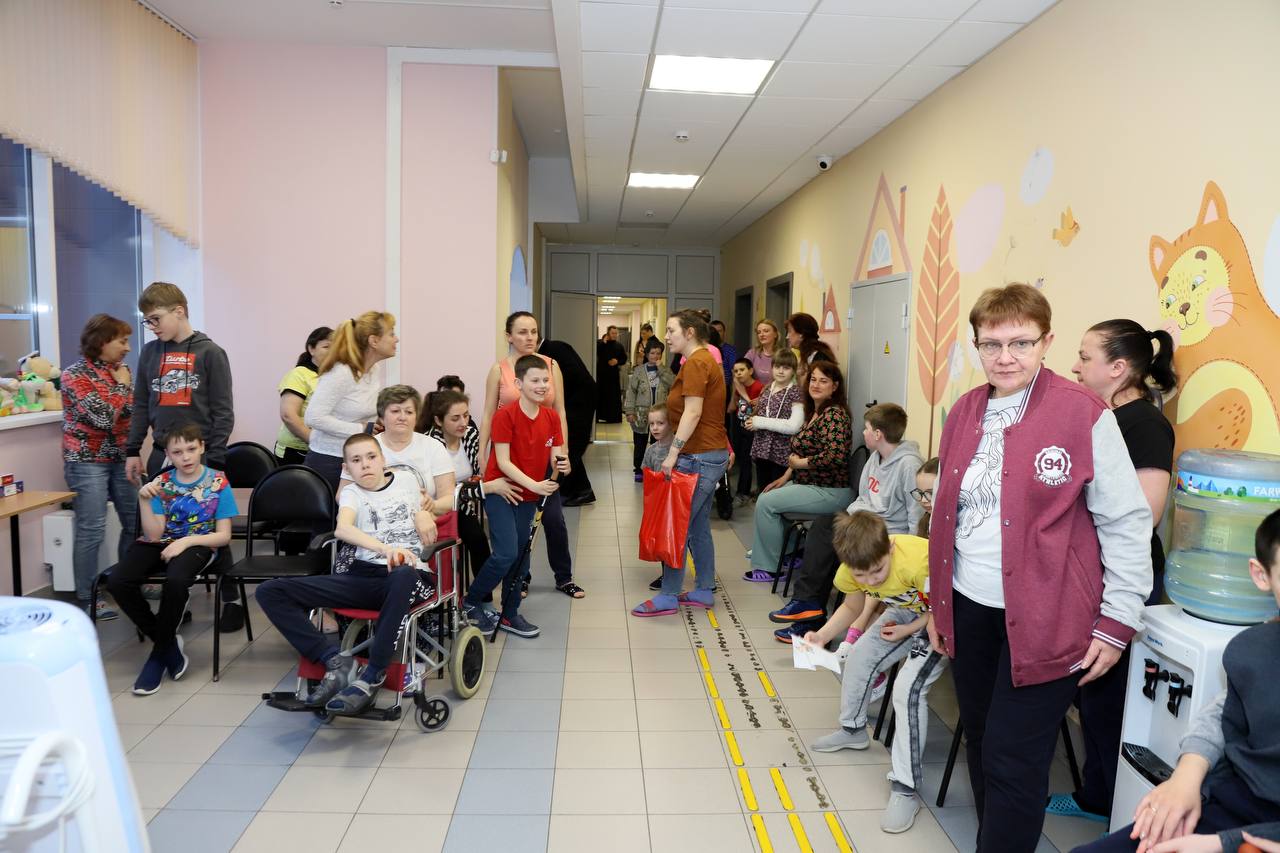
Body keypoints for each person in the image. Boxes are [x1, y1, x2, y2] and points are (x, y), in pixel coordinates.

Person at [927, 283, 1153, 853]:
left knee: (1012, 756)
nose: (1006, 357)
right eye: (992, 344)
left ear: (1046, 342)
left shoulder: (1083, 414)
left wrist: (1117, 621)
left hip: (1050, 617)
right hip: (971, 608)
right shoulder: (964, 411)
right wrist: (939, 604)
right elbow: (946, 517)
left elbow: (1126, 522)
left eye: (1021, 343)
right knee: (982, 741)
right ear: (977, 346)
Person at [1070, 508, 1280, 853]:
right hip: (1229, 810)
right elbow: (1225, 714)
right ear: (1262, 575)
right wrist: (1186, 779)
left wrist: (1224, 843)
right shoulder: (1251, 650)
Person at [1048, 319, 1180, 823]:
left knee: (1105, 697)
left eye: (1085, 357)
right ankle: (1098, 794)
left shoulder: (1144, 425)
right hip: (1091, 575)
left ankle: (1105, 803)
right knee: (1094, 696)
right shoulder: (1104, 418)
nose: (1075, 366)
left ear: (1118, 368)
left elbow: (1146, 512)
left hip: (1124, 580)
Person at [255, 432, 439, 716]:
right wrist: (384, 548)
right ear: (347, 468)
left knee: (402, 574)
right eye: (356, 460)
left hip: (411, 577)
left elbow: (429, 513)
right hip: (364, 577)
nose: (365, 464)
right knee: (270, 591)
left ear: (383, 459)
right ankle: (335, 660)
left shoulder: (407, 480)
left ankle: (374, 673)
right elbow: (343, 529)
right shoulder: (352, 493)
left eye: (371, 457)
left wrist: (426, 514)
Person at [803, 508, 946, 835]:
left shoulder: (918, 561)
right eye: (862, 575)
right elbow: (852, 605)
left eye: (878, 571)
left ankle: (906, 787)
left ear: (890, 549)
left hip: (940, 621)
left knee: (907, 690)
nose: (870, 581)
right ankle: (852, 730)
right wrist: (822, 636)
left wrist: (908, 630)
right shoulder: (852, 568)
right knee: (858, 657)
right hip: (906, 611)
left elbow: (943, 606)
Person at [124, 282, 239, 629]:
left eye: (156, 318)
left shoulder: (210, 352)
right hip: (162, 453)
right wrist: (133, 449)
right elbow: (141, 404)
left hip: (200, 455)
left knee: (210, 523)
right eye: (147, 320)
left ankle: (230, 598)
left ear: (179, 311)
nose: (152, 326)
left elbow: (223, 412)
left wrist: (215, 460)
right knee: (160, 524)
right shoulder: (150, 353)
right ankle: (175, 598)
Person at [769, 402, 924, 635]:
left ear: (878, 434)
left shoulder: (909, 464)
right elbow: (864, 496)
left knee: (830, 540)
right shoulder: (876, 457)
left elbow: (916, 514)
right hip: (863, 521)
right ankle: (809, 609)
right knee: (824, 527)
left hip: (886, 532)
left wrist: (908, 550)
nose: (863, 432)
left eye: (866, 428)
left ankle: (809, 613)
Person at [108, 424, 238, 695]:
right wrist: (144, 499)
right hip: (161, 542)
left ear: (202, 447)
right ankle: (166, 644)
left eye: (191, 449)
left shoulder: (218, 482)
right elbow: (154, 535)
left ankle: (157, 657)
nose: (186, 457)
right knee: (118, 580)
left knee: (177, 580)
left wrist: (186, 541)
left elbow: (224, 536)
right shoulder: (162, 483)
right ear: (167, 454)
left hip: (200, 543)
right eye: (177, 452)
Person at [462, 355, 571, 637]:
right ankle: (471, 602)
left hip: (528, 496)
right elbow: (503, 461)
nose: (542, 385)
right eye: (535, 380)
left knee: (522, 556)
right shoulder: (505, 416)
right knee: (506, 553)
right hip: (502, 490)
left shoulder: (551, 417)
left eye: (546, 380)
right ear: (519, 384)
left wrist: (562, 463)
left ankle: (509, 614)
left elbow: (556, 454)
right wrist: (536, 485)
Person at [631, 310, 730, 617]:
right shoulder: (698, 361)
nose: (666, 336)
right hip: (707, 453)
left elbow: (693, 412)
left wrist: (672, 453)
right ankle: (703, 589)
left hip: (699, 456)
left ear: (690, 333)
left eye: (671, 330)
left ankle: (669, 595)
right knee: (697, 526)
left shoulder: (698, 361)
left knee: (678, 524)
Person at [478, 313, 584, 598]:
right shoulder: (499, 370)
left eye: (534, 332)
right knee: (518, 524)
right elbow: (488, 414)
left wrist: (563, 450)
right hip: (509, 458)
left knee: (554, 519)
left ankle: (564, 577)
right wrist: (482, 452)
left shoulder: (551, 365)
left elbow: (560, 410)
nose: (530, 338)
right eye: (522, 332)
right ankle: (520, 577)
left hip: (543, 456)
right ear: (509, 336)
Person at [745, 361, 853, 584]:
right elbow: (800, 452)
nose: (816, 385)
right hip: (810, 484)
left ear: (834, 386)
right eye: (813, 379)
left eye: (823, 381)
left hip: (830, 490)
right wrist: (785, 476)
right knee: (768, 494)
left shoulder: (834, 415)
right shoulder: (815, 412)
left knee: (766, 503)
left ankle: (770, 568)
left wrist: (800, 464)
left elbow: (835, 455)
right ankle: (791, 552)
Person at [62, 313, 139, 620]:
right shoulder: (74, 375)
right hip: (86, 461)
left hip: (121, 457)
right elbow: (104, 418)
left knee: (135, 522)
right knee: (91, 529)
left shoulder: (121, 372)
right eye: (122, 341)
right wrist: (122, 388)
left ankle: (126, 585)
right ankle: (88, 597)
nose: (128, 348)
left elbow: (131, 413)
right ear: (102, 341)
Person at [426, 389, 524, 589]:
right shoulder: (430, 444)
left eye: (466, 415)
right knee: (476, 540)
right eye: (455, 418)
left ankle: (485, 596)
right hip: (436, 507)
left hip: (462, 504)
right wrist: (485, 487)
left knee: (481, 541)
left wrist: (480, 486)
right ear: (438, 420)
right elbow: (445, 491)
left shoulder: (470, 434)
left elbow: (478, 474)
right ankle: (469, 595)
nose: (463, 422)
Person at [303, 311, 398, 492]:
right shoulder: (341, 372)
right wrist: (360, 429)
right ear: (374, 341)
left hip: (358, 457)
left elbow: (359, 410)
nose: (396, 339)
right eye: (391, 334)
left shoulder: (373, 370)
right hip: (330, 462)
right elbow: (313, 417)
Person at [340, 386, 454, 511]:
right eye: (395, 411)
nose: (402, 417)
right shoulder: (363, 447)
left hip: (426, 517)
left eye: (409, 412)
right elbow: (341, 495)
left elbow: (449, 498)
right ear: (381, 417)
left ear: (416, 418)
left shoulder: (433, 446)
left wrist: (431, 505)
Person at [539, 339, 597, 506]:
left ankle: (575, 490)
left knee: (570, 445)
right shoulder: (556, 347)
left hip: (578, 403)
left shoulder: (551, 351)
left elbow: (571, 377)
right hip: (578, 401)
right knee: (569, 446)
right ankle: (581, 489)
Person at [745, 347, 803, 491]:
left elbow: (794, 426)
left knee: (776, 493)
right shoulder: (767, 388)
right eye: (777, 366)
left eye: (786, 368)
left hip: (782, 453)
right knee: (762, 490)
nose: (781, 371)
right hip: (761, 449)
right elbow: (760, 414)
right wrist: (752, 421)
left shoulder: (796, 392)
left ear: (793, 371)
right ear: (772, 368)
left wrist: (760, 422)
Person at [274, 326, 333, 465]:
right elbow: (288, 415)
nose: (332, 352)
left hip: (325, 450)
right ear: (311, 349)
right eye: (326, 347)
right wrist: (314, 440)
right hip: (296, 451)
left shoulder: (335, 376)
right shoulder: (299, 374)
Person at [624, 338, 674, 482]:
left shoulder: (666, 370)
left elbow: (673, 383)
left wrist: (661, 369)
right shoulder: (639, 371)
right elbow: (631, 392)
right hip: (641, 414)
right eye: (652, 353)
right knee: (639, 443)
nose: (655, 356)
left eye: (658, 353)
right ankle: (639, 469)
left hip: (660, 414)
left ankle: (656, 469)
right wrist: (629, 411)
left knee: (658, 442)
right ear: (646, 354)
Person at [728, 357, 764, 504]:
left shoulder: (758, 387)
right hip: (739, 424)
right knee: (739, 457)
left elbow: (758, 410)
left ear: (750, 371)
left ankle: (743, 492)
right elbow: (734, 405)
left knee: (746, 460)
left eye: (742, 370)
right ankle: (739, 491)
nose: (738, 373)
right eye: (736, 371)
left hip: (751, 428)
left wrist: (749, 401)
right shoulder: (738, 386)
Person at [786, 312, 836, 377]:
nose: (787, 337)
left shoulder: (819, 357)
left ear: (801, 334)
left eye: (789, 331)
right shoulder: (806, 354)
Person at [596, 325, 628, 423]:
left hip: (613, 376)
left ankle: (613, 418)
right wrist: (603, 342)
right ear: (608, 333)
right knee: (601, 396)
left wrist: (617, 361)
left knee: (613, 397)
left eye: (616, 333)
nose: (614, 335)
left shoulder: (619, 345)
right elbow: (596, 351)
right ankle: (600, 416)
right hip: (601, 375)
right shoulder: (600, 343)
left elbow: (624, 358)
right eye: (612, 333)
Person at [745, 319, 783, 386]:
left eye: (766, 331)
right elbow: (738, 373)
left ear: (775, 334)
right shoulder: (752, 353)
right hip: (755, 392)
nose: (761, 335)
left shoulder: (783, 355)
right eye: (759, 332)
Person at [712, 319, 738, 390]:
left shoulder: (730, 350)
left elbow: (734, 374)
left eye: (719, 331)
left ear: (724, 332)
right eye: (714, 331)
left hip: (725, 388)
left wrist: (733, 395)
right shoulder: (705, 349)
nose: (717, 334)